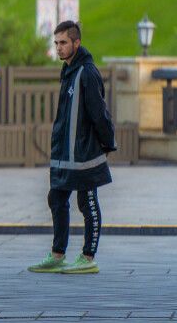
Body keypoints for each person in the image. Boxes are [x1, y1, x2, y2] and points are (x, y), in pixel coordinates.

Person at [29, 21, 116, 275]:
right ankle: (58, 255)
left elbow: (99, 113)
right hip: (64, 154)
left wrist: (107, 143)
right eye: (56, 43)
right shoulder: (68, 70)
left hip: (84, 154)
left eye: (63, 43)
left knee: (87, 202)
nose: (58, 48)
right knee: (56, 198)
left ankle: (88, 257)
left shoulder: (87, 72)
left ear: (76, 43)